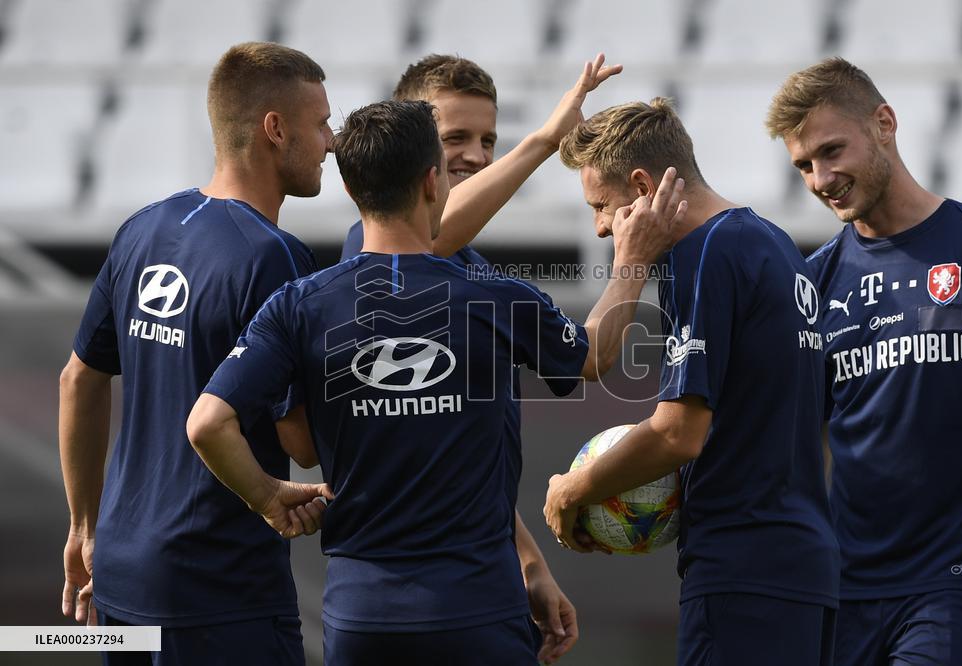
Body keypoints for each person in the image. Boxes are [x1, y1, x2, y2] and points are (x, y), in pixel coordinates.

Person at [186, 99, 688, 666]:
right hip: (477, 612)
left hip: (360, 618)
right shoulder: (493, 296)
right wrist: (632, 261)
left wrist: (267, 497)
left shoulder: (297, 306)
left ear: (351, 191)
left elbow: (208, 423)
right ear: (433, 181)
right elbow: (594, 356)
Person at [339, 52, 620, 663]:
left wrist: (530, 565)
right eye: (455, 138)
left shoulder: (477, 277)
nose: (476, 154)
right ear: (411, 149)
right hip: (415, 609)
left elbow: (457, 466)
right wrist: (547, 139)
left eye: (488, 139)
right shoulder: (368, 252)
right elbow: (430, 238)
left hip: (468, 594)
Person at [59, 42, 334, 665]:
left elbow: (79, 380)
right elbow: (301, 443)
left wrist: (83, 528)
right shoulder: (274, 255)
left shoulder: (143, 226)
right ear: (274, 129)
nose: (332, 142)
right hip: (215, 585)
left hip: (122, 568)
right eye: (320, 124)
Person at [544, 97, 840, 666]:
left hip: (743, 572)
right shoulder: (774, 243)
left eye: (601, 206)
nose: (601, 227)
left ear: (640, 185)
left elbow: (678, 434)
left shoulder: (700, 254)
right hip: (806, 568)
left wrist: (571, 490)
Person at [766, 57, 962, 665]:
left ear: (885, 123)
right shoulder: (812, 283)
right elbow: (793, 440)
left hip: (957, 582)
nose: (820, 179)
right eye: (804, 166)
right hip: (844, 590)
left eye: (831, 151)